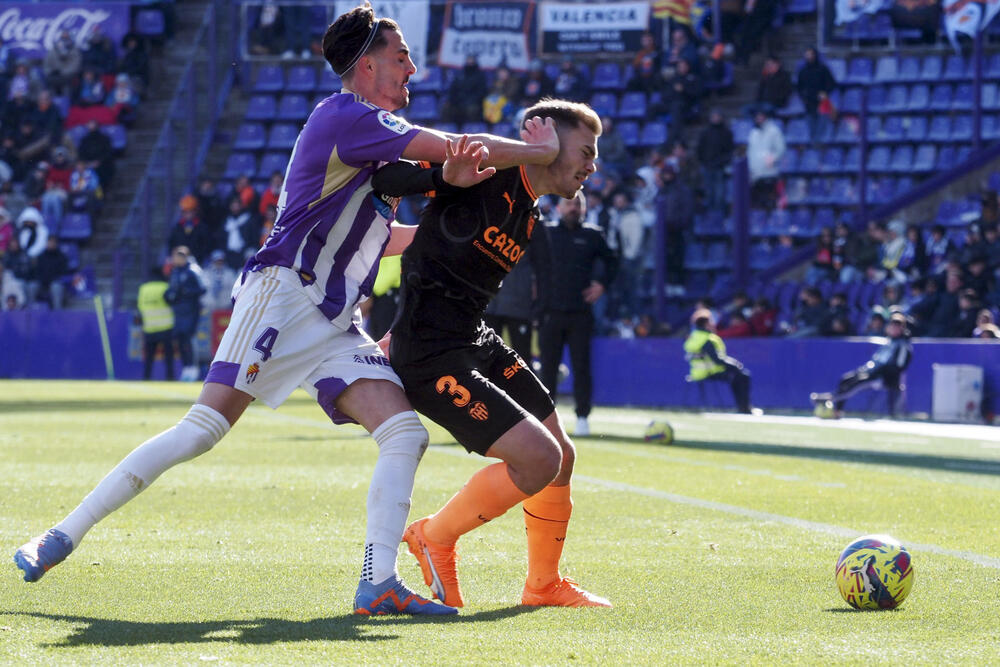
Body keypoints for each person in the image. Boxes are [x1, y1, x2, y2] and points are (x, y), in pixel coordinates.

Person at [13, 3, 558, 618]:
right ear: (367, 63)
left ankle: (377, 583)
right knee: (201, 431)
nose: (413, 69)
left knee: (404, 432)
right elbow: (459, 147)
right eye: (402, 57)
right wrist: (540, 154)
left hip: (332, 322)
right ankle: (60, 534)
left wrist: (449, 186)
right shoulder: (348, 115)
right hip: (285, 293)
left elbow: (395, 232)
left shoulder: (372, 149)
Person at [373, 99, 612, 609]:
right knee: (539, 459)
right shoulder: (484, 173)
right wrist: (448, 173)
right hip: (432, 354)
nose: (593, 164)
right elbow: (391, 176)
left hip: (473, 337)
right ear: (547, 145)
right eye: (586, 151)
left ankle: (542, 586)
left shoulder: (529, 206)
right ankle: (434, 537)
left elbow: (434, 254)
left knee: (561, 457)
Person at [535, 190, 618, 437]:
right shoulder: (546, 232)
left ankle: (583, 417)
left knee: (582, 367)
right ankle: (546, 420)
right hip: (549, 311)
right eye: (569, 203)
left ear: (583, 208)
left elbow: (613, 262)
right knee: (547, 368)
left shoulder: (592, 235)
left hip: (580, 313)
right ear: (559, 208)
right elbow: (529, 262)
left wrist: (601, 284)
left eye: (577, 203)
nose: (573, 207)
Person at [811, 312, 912, 418]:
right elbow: (876, 361)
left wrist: (879, 372)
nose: (893, 328)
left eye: (896, 327)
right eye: (892, 326)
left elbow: (900, 366)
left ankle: (827, 398)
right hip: (872, 372)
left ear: (901, 328)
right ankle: (837, 411)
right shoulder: (889, 342)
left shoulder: (903, 345)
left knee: (857, 384)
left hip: (884, 378)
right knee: (845, 379)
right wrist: (866, 369)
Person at [684, 308, 755, 414]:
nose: (713, 323)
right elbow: (717, 360)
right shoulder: (707, 339)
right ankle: (744, 408)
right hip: (710, 372)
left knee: (737, 375)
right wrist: (735, 364)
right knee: (743, 375)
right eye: (711, 321)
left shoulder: (693, 337)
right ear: (706, 323)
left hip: (696, 373)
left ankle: (743, 408)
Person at [164, 245, 206, 382]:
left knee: (189, 338)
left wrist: (188, 292)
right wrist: (169, 295)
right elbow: (173, 289)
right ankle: (186, 367)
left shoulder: (193, 270)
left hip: (191, 310)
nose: (176, 259)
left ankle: (193, 368)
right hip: (178, 311)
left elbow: (203, 288)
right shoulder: (175, 272)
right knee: (180, 339)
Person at [137, 265, 176, 381]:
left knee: (149, 358)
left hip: (149, 327)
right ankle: (170, 378)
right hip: (166, 326)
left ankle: (146, 378)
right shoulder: (165, 287)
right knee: (168, 357)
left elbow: (140, 306)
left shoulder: (143, 289)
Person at [746, 109, 785, 211]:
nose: (759, 119)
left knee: (770, 201)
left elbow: (781, 149)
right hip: (755, 175)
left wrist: (773, 158)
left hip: (769, 173)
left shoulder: (774, 131)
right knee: (757, 203)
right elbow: (751, 152)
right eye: (757, 117)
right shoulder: (753, 133)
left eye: (761, 116)